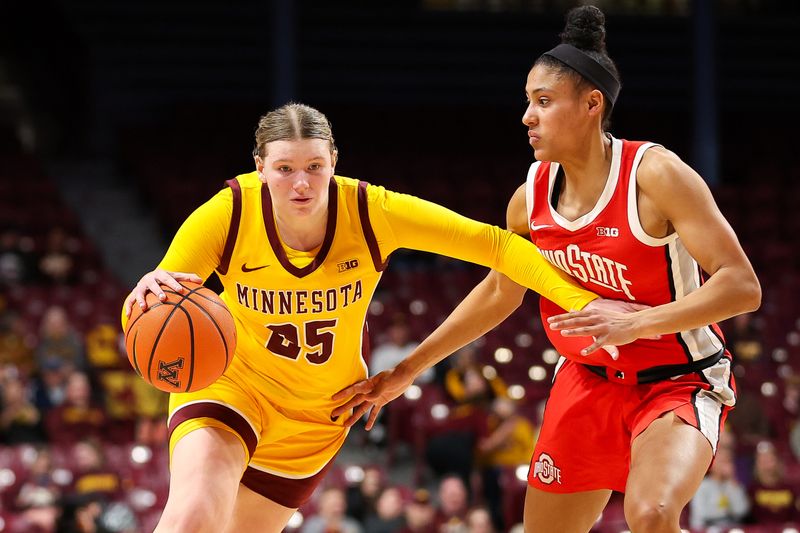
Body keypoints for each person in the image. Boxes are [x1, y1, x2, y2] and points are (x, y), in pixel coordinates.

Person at [333, 6, 761, 533]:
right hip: (587, 381)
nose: (526, 116)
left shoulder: (655, 175)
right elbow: (497, 293)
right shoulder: (528, 200)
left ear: (591, 105)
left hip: (676, 379)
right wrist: (406, 371)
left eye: (543, 101)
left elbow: (742, 286)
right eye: (527, 102)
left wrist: (637, 323)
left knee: (651, 514)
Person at [121, 102, 608, 532]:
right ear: (260, 167)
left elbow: (499, 246)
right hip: (233, 387)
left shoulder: (372, 211)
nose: (301, 182)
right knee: (193, 518)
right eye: (285, 168)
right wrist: (137, 301)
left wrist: (580, 301)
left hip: (318, 415)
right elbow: (156, 303)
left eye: (314, 165)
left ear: (334, 160)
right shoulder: (228, 211)